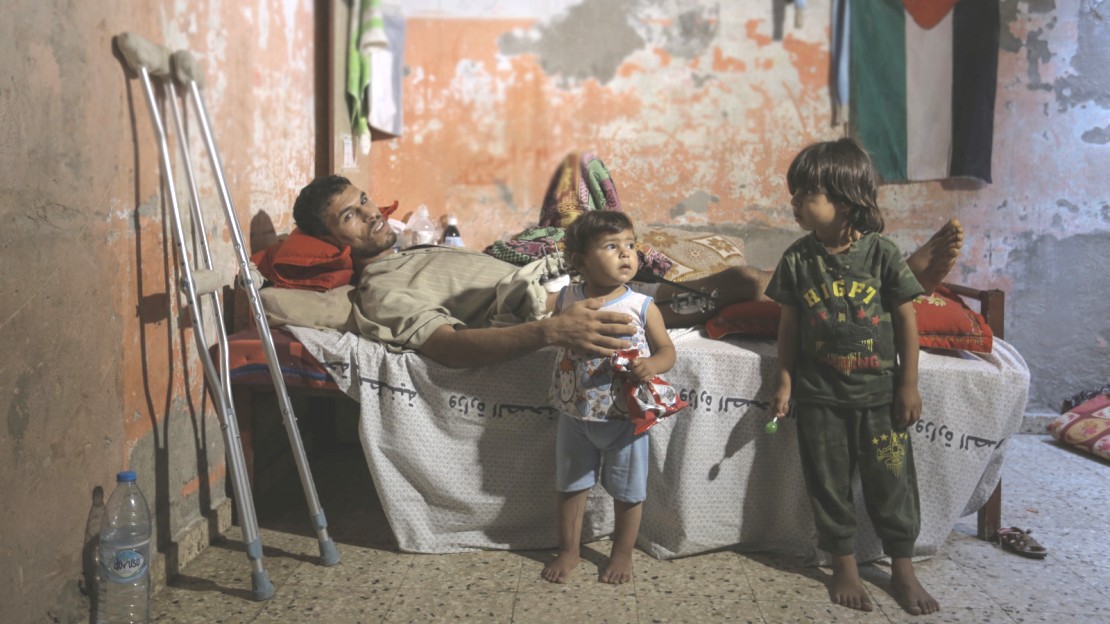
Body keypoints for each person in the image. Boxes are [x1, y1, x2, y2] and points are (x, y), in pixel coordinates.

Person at [283, 174, 962, 369]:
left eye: (363, 200)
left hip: (563, 272)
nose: (369, 214)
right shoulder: (378, 289)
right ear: (325, 241)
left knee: (733, 272)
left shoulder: (410, 249)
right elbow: (450, 348)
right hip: (565, 299)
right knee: (738, 286)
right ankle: (891, 283)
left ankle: (883, 281)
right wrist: (552, 332)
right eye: (348, 216)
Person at [764, 138, 939, 616]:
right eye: (794, 194)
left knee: (892, 480)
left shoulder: (882, 255)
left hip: (880, 399)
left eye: (806, 195)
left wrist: (908, 383)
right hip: (820, 398)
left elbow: (907, 319)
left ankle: (901, 566)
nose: (795, 203)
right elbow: (788, 326)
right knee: (828, 481)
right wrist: (784, 380)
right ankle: (842, 563)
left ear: (844, 199)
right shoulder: (798, 259)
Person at [542, 211, 679, 585]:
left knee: (628, 490)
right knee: (571, 486)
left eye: (630, 245)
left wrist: (652, 364)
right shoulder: (567, 299)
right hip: (575, 414)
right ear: (579, 260)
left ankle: (621, 554)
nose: (626, 254)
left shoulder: (642, 305)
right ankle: (569, 550)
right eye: (611, 246)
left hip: (626, 420)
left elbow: (668, 350)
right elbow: (549, 331)